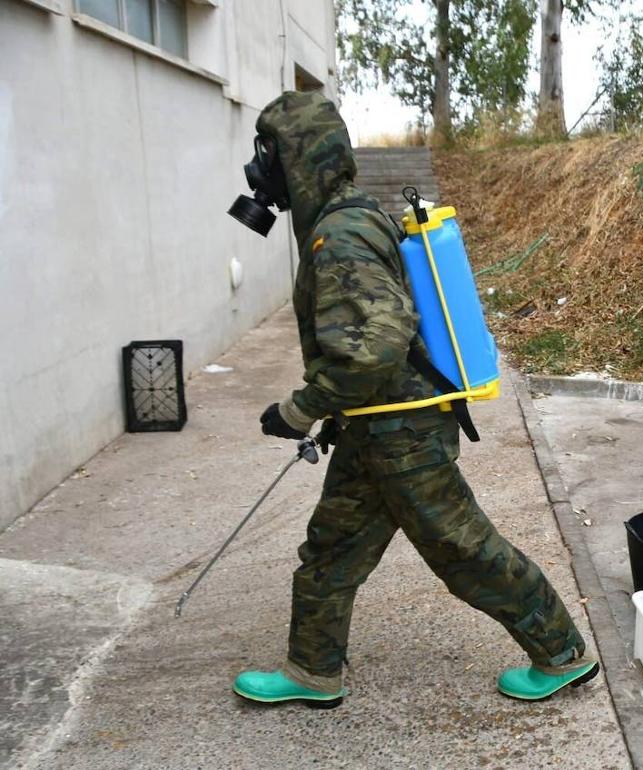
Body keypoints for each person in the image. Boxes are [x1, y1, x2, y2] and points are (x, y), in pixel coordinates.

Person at [226, 91, 597, 708]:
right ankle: (312, 671)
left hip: (403, 435)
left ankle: (561, 653)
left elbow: (376, 345)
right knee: (331, 550)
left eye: (270, 153)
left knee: (463, 549)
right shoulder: (344, 220)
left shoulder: (339, 234)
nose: (260, 168)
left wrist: (302, 407)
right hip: (375, 430)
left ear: (297, 160)